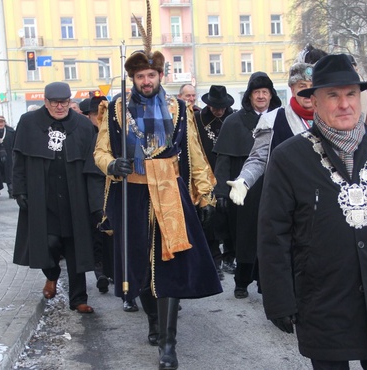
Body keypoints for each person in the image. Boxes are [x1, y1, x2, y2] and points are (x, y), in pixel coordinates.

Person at [258, 54, 367, 370]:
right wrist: (280, 300)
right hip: (323, 299)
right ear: (314, 101)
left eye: (351, 94)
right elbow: (273, 234)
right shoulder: (288, 158)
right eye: (333, 95)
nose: (345, 104)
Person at [94, 3, 221, 366]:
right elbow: (100, 152)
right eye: (140, 77)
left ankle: (168, 345)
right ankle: (152, 318)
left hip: (171, 193)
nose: (146, 81)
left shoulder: (181, 109)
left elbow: (194, 153)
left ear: (161, 75)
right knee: (139, 267)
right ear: (133, 79)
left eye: (152, 75)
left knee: (170, 266)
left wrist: (205, 194)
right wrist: (112, 163)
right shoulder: (116, 109)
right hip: (132, 192)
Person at [12, 82, 97, 314]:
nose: (60, 107)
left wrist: (95, 199)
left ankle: (78, 298)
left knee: (75, 247)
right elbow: (18, 159)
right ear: (46, 102)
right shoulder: (29, 123)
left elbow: (92, 163)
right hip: (43, 196)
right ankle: (51, 275)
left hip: (75, 196)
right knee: (47, 243)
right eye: (55, 102)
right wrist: (19, 190)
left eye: (65, 102)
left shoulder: (82, 124)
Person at [213, 71, 282, 299]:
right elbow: (223, 159)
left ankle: (266, 283)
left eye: (265, 92)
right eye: (257, 92)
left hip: (274, 186)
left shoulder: (281, 119)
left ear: (271, 95)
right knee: (244, 235)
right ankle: (241, 281)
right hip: (244, 188)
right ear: (249, 96)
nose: (261, 96)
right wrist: (222, 192)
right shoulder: (234, 122)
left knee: (272, 235)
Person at [227, 61, 314, 207]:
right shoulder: (272, 119)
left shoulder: (329, 118)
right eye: (302, 86)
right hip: (286, 199)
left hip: (322, 199)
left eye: (312, 87)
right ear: (292, 89)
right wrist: (244, 180)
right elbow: (258, 158)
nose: (307, 92)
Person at [194, 85, 236, 280]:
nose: (218, 110)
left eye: (221, 106)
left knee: (230, 217)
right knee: (209, 220)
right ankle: (214, 260)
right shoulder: (197, 120)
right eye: (214, 106)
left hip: (230, 174)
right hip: (205, 172)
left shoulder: (233, 118)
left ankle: (229, 256)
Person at [80, 96, 116, 298]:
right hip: (94, 189)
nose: (99, 118)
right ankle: (101, 272)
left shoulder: (113, 132)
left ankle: (111, 273)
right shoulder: (87, 134)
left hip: (114, 187)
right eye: (96, 115)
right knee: (98, 235)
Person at [0, 116, 16, 198]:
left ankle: (11, 191)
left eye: (2, 122)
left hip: (9, 155)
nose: (0, 124)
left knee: (9, 174)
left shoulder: (10, 132)